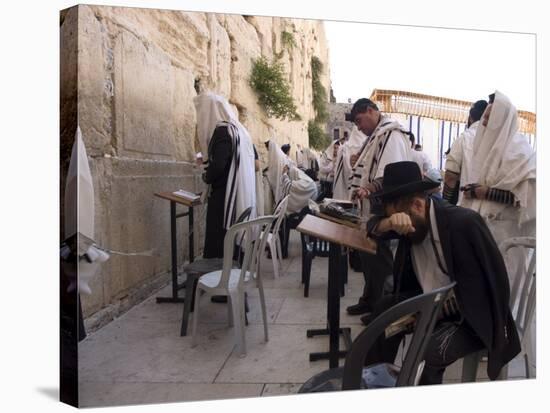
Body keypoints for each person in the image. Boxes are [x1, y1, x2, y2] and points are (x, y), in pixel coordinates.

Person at [362, 161, 520, 385]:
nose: (400, 231)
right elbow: (370, 227)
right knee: (382, 314)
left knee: (428, 350)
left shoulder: (464, 224)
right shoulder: (410, 222)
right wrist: (389, 222)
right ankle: (373, 383)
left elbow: (489, 289)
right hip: (431, 303)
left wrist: (430, 314)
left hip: (470, 317)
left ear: (417, 205)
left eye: (398, 220)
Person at [345, 98, 413, 321]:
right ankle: (369, 299)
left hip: (384, 207)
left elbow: (389, 174)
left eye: (359, 120)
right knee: (368, 257)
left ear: (371, 111)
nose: (359, 127)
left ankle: (382, 310)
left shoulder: (391, 134)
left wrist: (368, 188)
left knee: (380, 261)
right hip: (370, 206)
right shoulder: (377, 136)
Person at [460, 91, 535, 286]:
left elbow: (523, 198)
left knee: (504, 291)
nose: (483, 122)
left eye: (488, 117)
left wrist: (485, 192)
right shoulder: (486, 150)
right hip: (481, 234)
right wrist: (473, 192)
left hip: (506, 237)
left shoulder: (519, 151)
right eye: (484, 116)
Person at [194, 92, 256, 259]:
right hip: (235, 194)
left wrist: (205, 176)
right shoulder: (237, 130)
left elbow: (218, 166)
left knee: (218, 242)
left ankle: (217, 278)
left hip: (224, 197)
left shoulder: (222, 131)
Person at [443, 99, 488, 205]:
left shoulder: (464, 139)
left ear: (470, 118)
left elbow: (450, 177)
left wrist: (445, 204)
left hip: (468, 207)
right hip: (495, 213)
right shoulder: (500, 140)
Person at [332, 125, 367, 200]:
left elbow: (338, 171)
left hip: (344, 186)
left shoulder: (344, 148)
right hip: (363, 187)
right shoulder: (367, 146)